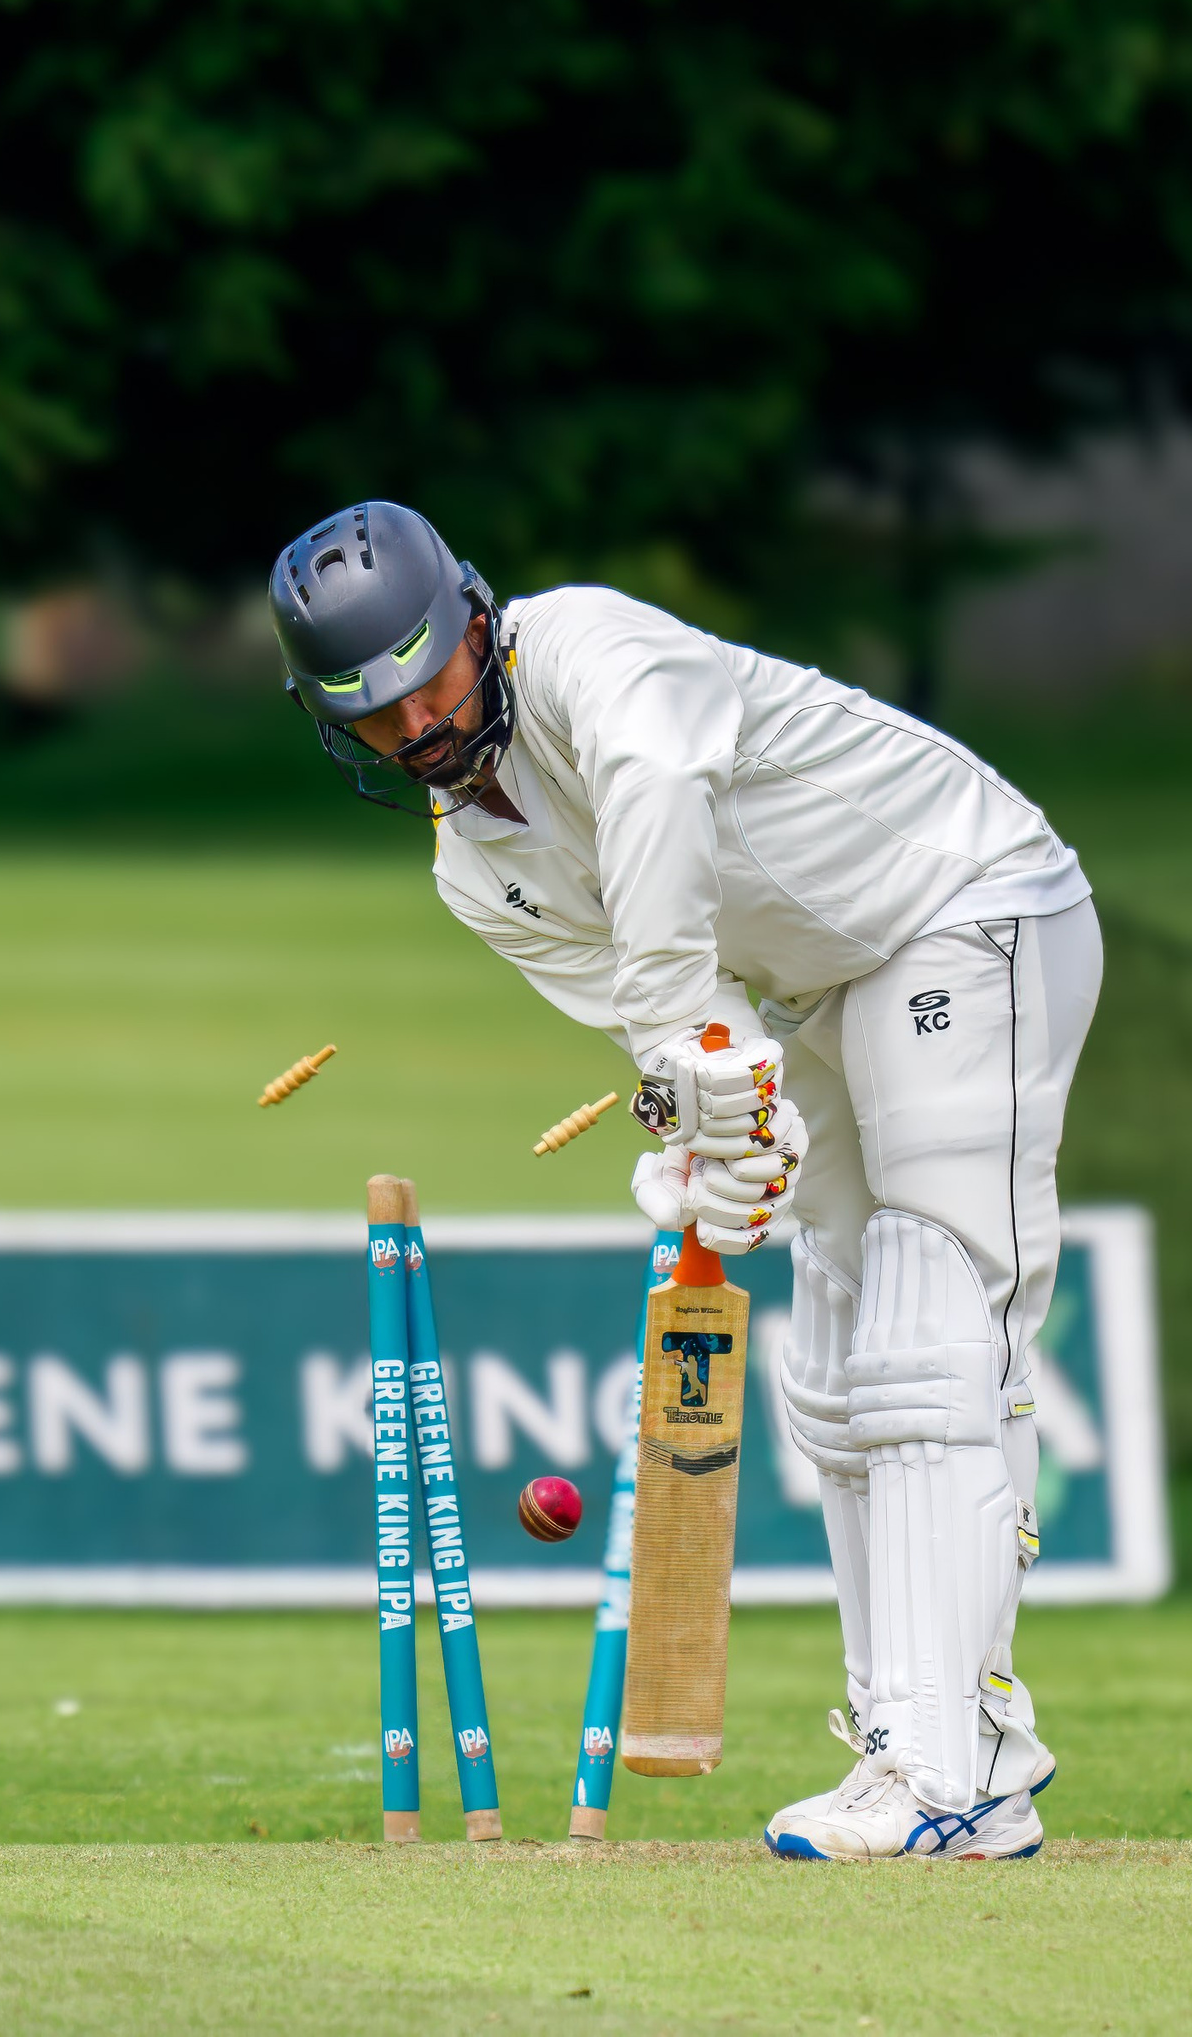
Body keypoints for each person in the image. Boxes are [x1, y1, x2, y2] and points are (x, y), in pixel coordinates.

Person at [266, 500, 1098, 1862]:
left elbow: (659, 817)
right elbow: (662, 1034)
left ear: (477, 622)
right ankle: (915, 1748)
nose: (417, 729)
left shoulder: (594, 650)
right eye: (376, 716)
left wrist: (692, 1049)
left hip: (966, 902)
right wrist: (703, 1136)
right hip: (822, 993)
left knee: (929, 1306)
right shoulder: (472, 868)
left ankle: (959, 1762)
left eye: (430, 684)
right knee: (832, 1355)